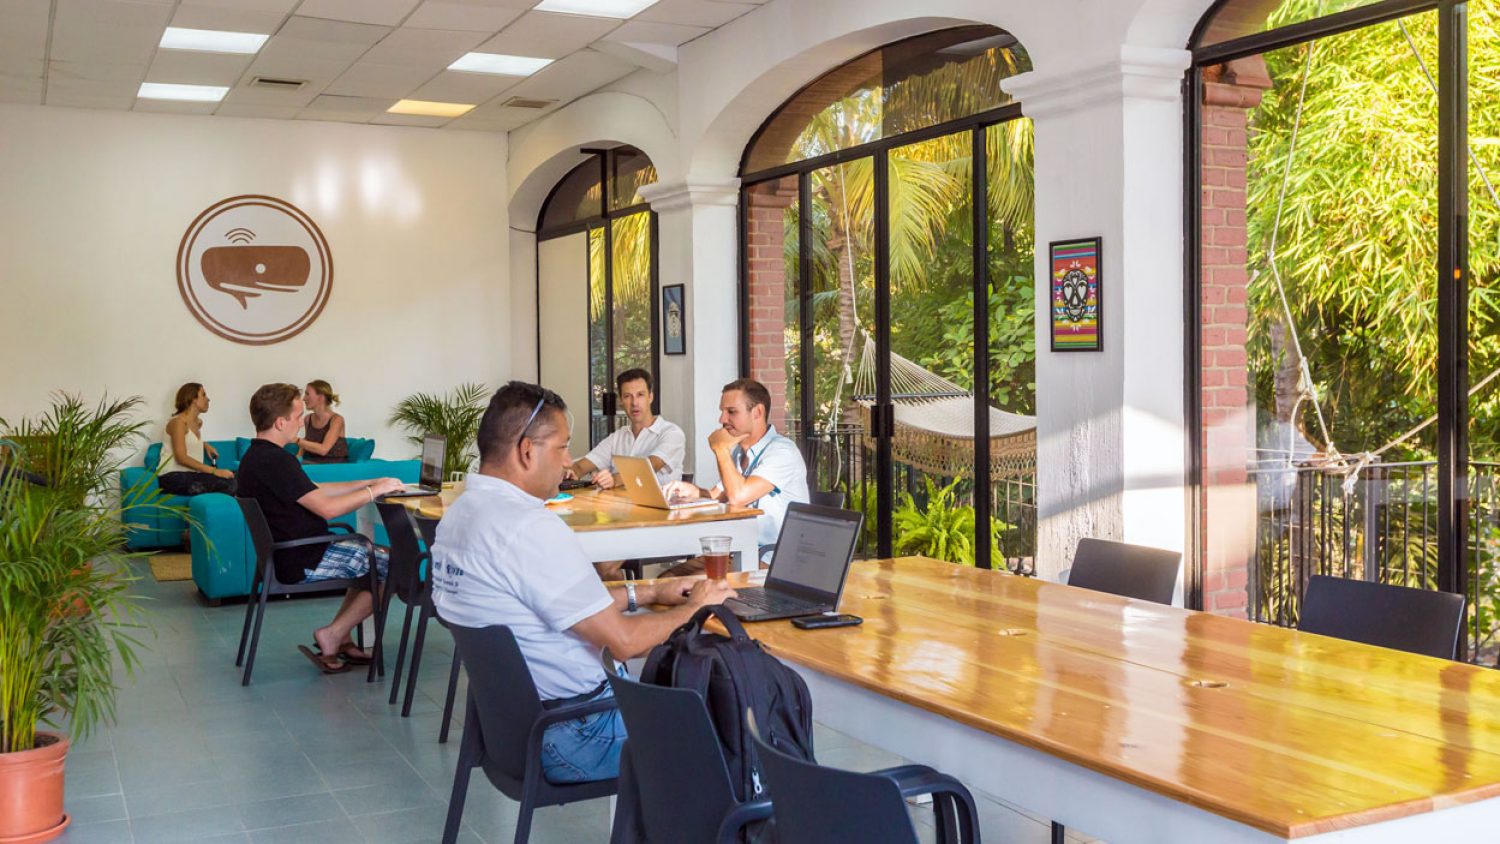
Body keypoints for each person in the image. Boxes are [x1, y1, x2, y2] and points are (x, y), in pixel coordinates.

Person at [430, 381, 736, 784]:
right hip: (576, 730)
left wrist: (649, 591)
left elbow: (553, 603)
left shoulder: (460, 515)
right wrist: (695, 606)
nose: (567, 460)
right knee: (733, 734)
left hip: (509, 730)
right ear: (526, 451)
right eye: (561, 447)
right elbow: (623, 641)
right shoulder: (528, 527)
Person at [235, 383, 407, 674]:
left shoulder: (256, 458)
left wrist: (370, 483)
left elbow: (316, 489)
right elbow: (327, 508)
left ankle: (339, 636)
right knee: (397, 563)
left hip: (284, 555)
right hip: (303, 557)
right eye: (298, 415)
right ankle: (333, 633)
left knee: (369, 560)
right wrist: (373, 494)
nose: (303, 421)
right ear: (280, 422)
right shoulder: (277, 461)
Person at [664, 378, 810, 567]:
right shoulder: (738, 451)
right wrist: (694, 492)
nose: (722, 420)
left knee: (678, 588)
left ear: (758, 412)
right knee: (668, 578)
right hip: (739, 551)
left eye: (731, 412)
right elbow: (719, 496)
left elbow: (738, 496)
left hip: (772, 559)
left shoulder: (782, 452)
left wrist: (720, 449)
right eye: (722, 412)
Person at [565, 368, 685, 489]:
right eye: (628, 396)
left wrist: (614, 479)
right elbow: (581, 467)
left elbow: (651, 465)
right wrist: (572, 472)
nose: (634, 403)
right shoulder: (617, 437)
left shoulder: (672, 433)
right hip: (621, 506)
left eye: (640, 395)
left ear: (650, 397)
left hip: (662, 507)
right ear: (621, 401)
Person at [157, 383, 236, 497]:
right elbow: (181, 458)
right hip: (171, 477)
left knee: (238, 476)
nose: (208, 399)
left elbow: (188, 439)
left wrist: (205, 445)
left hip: (191, 475)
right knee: (228, 484)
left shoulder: (198, 423)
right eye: (203, 395)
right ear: (192, 399)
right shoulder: (177, 423)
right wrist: (215, 471)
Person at [297, 379, 349, 463]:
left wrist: (296, 440)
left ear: (321, 397)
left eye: (307, 394)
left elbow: (323, 450)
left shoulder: (336, 420)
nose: (304, 398)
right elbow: (307, 440)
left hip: (334, 466)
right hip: (313, 463)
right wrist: (298, 457)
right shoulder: (308, 419)